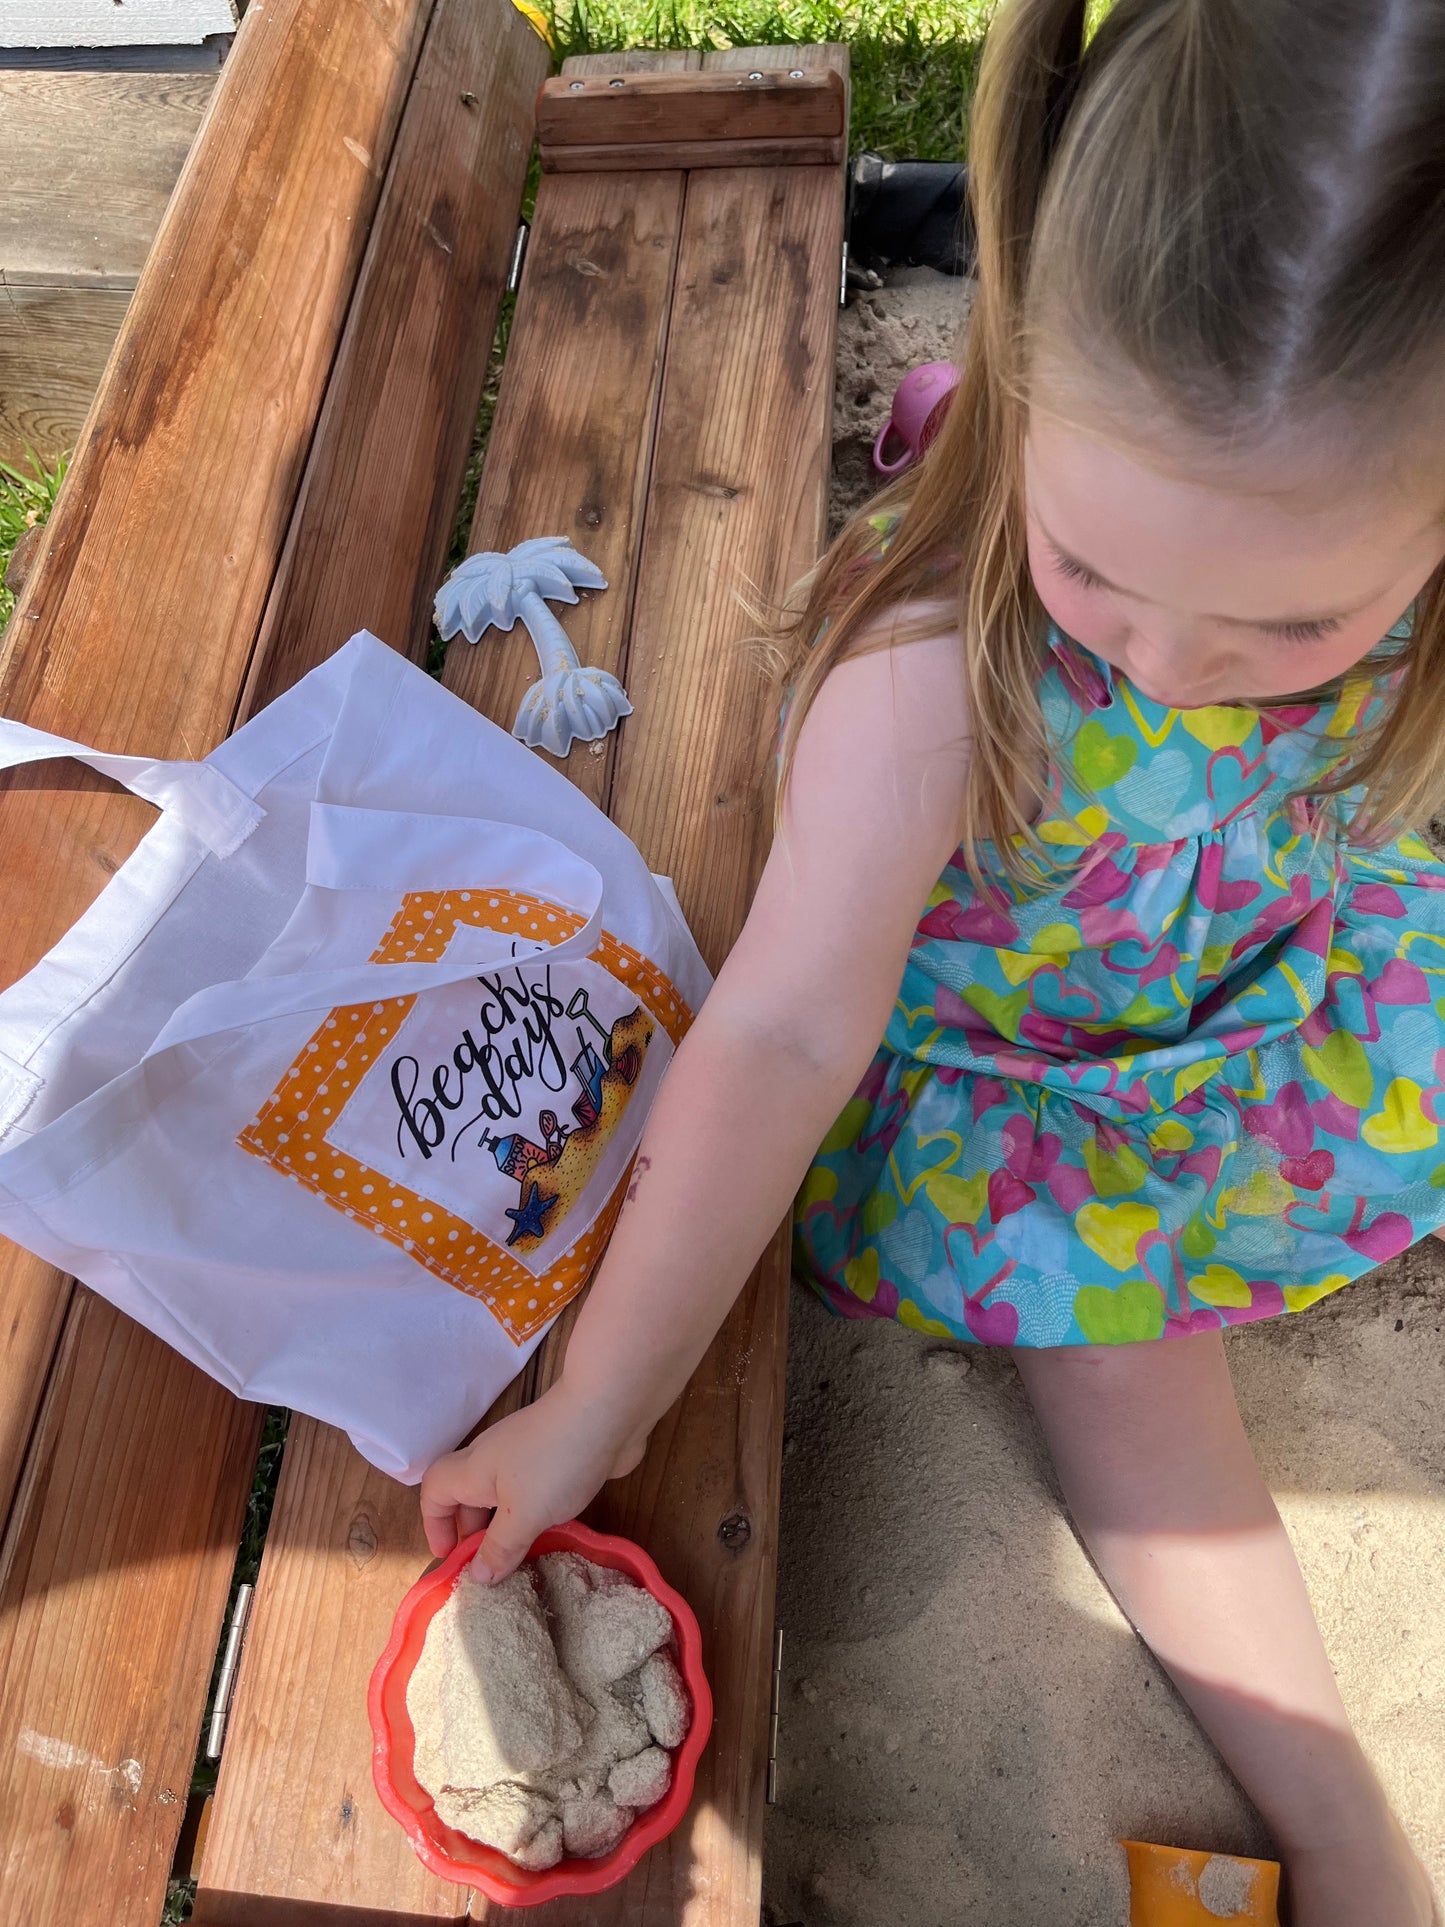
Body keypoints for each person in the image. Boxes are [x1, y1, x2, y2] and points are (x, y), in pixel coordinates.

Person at [419, 1, 1445, 1917]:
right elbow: (783, 1034)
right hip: (1024, 1072)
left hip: (1255, 977)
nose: (1165, 666)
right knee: (1134, 1374)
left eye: (1290, 623)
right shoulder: (927, 697)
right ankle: (1343, 1823)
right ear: (1035, 379)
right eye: (1093, 565)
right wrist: (602, 1408)